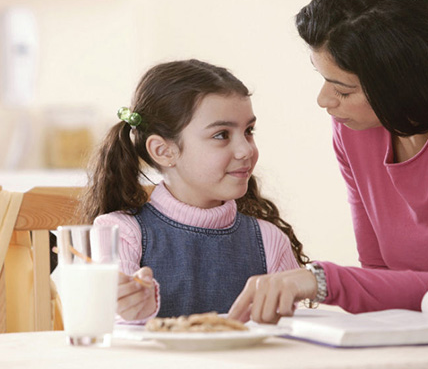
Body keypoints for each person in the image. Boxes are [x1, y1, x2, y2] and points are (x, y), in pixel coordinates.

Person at [228, 0, 428, 324]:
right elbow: (379, 274)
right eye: (324, 80)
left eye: (343, 90)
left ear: (402, 81)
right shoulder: (355, 131)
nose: (324, 100)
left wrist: (323, 280)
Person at [79, 59, 308, 322]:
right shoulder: (120, 234)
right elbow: (106, 332)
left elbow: (294, 337)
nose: (246, 150)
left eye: (248, 131)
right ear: (163, 151)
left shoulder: (269, 240)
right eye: (222, 134)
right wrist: (131, 310)